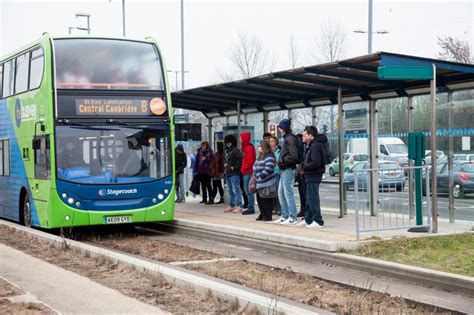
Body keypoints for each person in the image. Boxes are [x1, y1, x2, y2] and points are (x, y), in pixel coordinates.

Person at [297, 126, 326, 228]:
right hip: (310, 175)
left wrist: (304, 167)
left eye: (304, 135)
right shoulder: (311, 145)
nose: (302, 137)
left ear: (310, 136)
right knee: (309, 197)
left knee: (313, 198)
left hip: (314, 175)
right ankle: (308, 218)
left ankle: (318, 220)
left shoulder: (315, 146)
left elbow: (315, 163)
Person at [274, 119, 299, 225]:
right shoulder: (287, 138)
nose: (279, 129)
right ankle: (284, 215)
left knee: (288, 193)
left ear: (283, 128)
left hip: (288, 169)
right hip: (284, 169)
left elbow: (294, 156)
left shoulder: (290, 139)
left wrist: (282, 160)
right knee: (281, 193)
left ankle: (292, 216)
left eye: (280, 127)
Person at [254, 140, 277, 221]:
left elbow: (269, 167)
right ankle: (262, 214)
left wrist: (261, 175)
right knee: (260, 199)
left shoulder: (269, 156)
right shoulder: (261, 156)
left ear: (264, 147)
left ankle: (267, 216)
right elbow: (255, 166)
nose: (259, 148)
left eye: (260, 146)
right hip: (260, 182)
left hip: (267, 182)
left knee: (266, 199)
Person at [223, 135, 243, 213]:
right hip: (228, 173)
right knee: (230, 190)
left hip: (234, 173)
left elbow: (240, 160)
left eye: (229, 142)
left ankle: (239, 205)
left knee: (236, 190)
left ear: (232, 142)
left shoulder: (235, 150)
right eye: (227, 142)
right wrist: (226, 164)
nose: (228, 144)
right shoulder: (228, 151)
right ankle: (232, 205)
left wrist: (234, 167)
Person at [240, 132, 256, 215]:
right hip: (246, 172)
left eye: (241, 138)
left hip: (248, 172)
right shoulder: (246, 147)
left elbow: (250, 161)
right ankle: (250, 206)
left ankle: (251, 207)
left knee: (248, 191)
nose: (240, 139)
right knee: (247, 191)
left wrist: (243, 168)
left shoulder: (248, 148)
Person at [270, 135, 281, 216]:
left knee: (278, 191)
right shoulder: (269, 152)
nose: (270, 143)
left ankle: (280, 208)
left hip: (277, 173)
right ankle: (274, 207)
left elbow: (278, 162)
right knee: (272, 192)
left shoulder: (279, 151)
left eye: (272, 141)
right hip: (270, 174)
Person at [295, 133, 307, 218]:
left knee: (304, 193)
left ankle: (305, 210)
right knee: (302, 192)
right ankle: (304, 210)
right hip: (301, 173)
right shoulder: (303, 147)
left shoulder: (304, 148)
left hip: (303, 173)